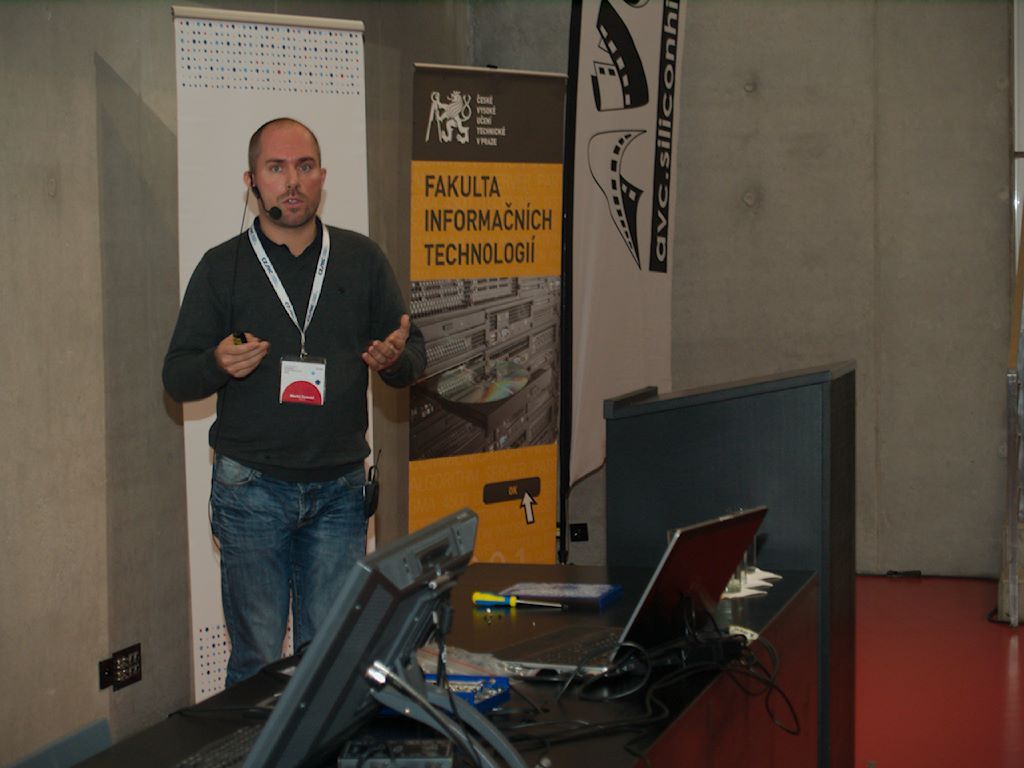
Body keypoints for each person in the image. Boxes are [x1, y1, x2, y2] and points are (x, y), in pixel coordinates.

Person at [163, 117, 425, 686]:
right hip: (251, 491)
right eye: (276, 168)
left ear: (322, 177)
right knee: (257, 663)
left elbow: (413, 355)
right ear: (251, 181)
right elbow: (177, 378)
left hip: (340, 493)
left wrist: (393, 361)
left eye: (304, 167)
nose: (292, 181)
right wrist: (215, 364)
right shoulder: (222, 267)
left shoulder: (361, 259)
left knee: (328, 662)